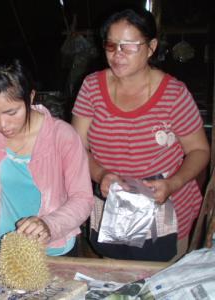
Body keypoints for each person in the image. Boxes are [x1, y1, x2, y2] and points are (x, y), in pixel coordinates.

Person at [71, 8, 210, 261]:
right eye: (111, 45)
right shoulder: (92, 86)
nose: (117, 54)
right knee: (116, 281)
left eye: (129, 46)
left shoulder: (174, 94)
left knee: (161, 282)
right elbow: (76, 146)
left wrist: (173, 184)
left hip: (166, 209)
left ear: (151, 47)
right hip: (113, 209)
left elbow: (199, 151)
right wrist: (100, 174)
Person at [0, 59, 94, 256]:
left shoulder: (62, 136)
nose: (2, 124)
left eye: (12, 112)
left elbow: (83, 199)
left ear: (30, 97)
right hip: (2, 243)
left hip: (53, 248)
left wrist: (48, 225)